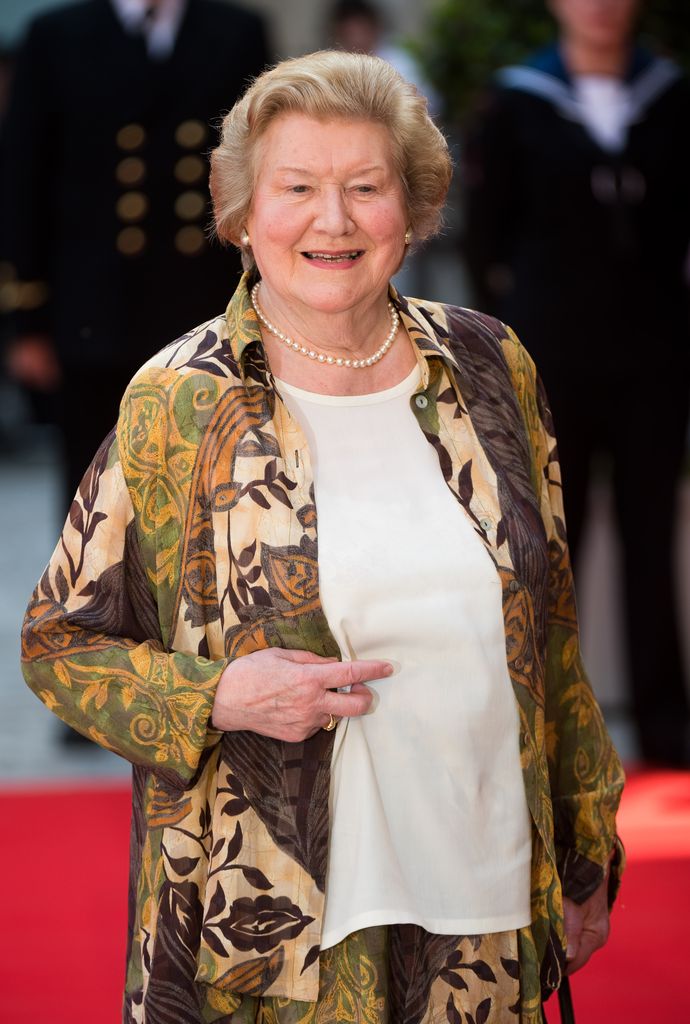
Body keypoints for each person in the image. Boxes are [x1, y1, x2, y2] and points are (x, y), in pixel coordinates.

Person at [21, 50, 624, 1024]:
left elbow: (551, 628)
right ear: (242, 213)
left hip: (484, 911)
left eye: (366, 188)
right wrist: (218, 693)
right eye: (297, 187)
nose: (333, 221)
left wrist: (587, 850)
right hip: (271, 935)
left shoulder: (489, 365)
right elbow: (60, 643)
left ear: (413, 208)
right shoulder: (180, 401)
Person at [462, 0, 690, 766]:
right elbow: (485, 239)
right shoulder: (517, 100)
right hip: (551, 360)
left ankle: (665, 728)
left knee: (650, 536)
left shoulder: (671, 96)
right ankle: (554, 729)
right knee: (554, 542)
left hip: (655, 356)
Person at [1, 0, 269, 515]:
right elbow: (22, 180)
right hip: (92, 305)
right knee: (95, 484)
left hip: (203, 299)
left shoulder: (237, 31)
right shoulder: (56, 34)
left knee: (209, 478)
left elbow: (258, 170)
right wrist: (28, 320)